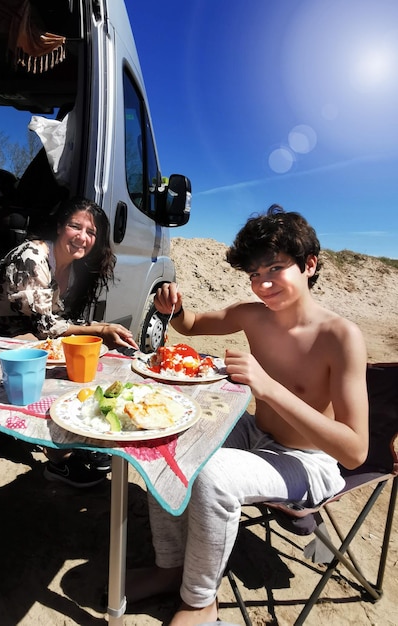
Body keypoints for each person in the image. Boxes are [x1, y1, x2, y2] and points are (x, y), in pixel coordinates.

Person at [128, 205, 369, 626]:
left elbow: (354, 451)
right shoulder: (255, 315)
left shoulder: (340, 336)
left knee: (213, 475)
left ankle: (201, 602)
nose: (263, 283)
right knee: (168, 436)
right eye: (255, 274)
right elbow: (193, 324)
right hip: (255, 433)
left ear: (309, 265)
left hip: (307, 461)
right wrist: (176, 306)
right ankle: (170, 567)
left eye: (275, 267)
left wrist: (268, 387)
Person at [0, 197, 139, 487]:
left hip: (29, 338)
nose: (82, 237)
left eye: (91, 232)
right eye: (76, 226)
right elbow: (46, 327)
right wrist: (101, 329)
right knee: (58, 363)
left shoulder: (72, 270)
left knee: (84, 360)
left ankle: (80, 437)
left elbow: (57, 325)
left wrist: (98, 334)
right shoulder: (32, 257)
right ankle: (59, 459)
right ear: (60, 227)